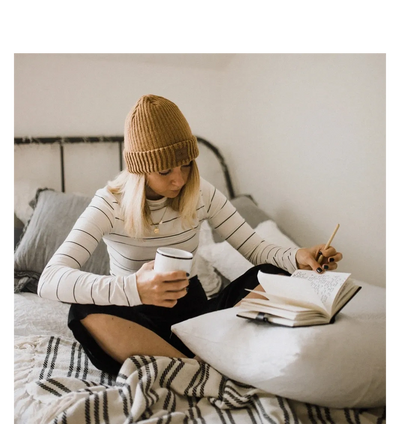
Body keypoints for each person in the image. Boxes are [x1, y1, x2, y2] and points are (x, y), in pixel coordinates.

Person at [38, 94, 343, 375]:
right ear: (141, 170)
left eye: (185, 166)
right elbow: (49, 280)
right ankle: (197, 366)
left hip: (199, 320)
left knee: (271, 273)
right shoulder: (109, 204)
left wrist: (297, 256)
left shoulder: (201, 193)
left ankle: (189, 363)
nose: (179, 180)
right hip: (137, 326)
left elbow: (256, 248)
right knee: (82, 310)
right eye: (165, 171)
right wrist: (134, 288)